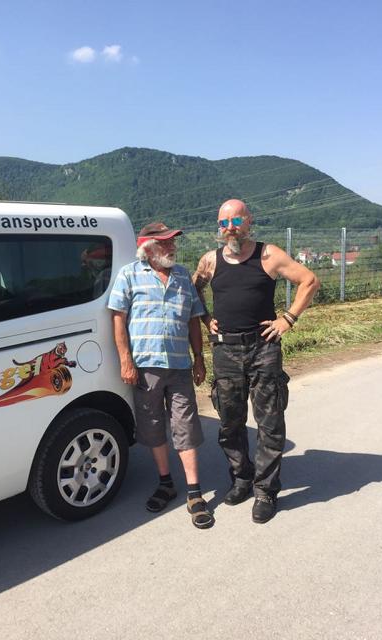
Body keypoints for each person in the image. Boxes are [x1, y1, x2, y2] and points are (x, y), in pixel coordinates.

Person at [193, 199, 320, 523]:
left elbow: (309, 281)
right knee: (230, 423)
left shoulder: (269, 255)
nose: (230, 228)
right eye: (224, 223)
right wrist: (205, 318)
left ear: (249, 221)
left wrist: (288, 319)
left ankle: (265, 491)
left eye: (236, 221)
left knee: (270, 424)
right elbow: (194, 290)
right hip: (225, 351)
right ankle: (242, 478)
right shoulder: (210, 260)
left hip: (263, 349)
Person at [108, 222, 214, 529]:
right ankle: (166, 483)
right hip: (145, 366)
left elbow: (193, 320)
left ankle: (194, 492)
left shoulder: (182, 276)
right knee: (152, 424)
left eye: (172, 242)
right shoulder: (129, 275)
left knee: (185, 425)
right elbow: (118, 319)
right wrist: (125, 361)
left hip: (179, 365)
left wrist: (199, 358)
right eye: (165, 243)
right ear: (148, 248)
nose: (172, 247)